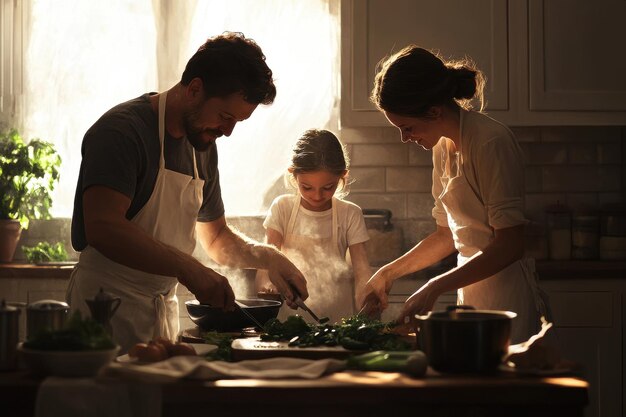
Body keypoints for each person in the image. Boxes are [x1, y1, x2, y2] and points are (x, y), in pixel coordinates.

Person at [67, 32, 308, 353]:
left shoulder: (203, 145)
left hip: (160, 314)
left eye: (237, 121)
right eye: (225, 117)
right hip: (104, 309)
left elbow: (217, 239)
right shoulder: (122, 132)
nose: (228, 131)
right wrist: (189, 268)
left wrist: (268, 257)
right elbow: (103, 227)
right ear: (195, 89)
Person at [360, 45, 547, 344]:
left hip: (509, 304)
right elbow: (446, 236)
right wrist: (387, 273)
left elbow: (510, 244)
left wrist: (434, 286)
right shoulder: (441, 148)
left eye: (407, 127)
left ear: (434, 111)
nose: (404, 138)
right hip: (472, 297)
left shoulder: (490, 142)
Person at [255, 129, 372, 324]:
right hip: (288, 322)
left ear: (343, 176)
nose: (317, 196)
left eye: (328, 187)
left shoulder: (350, 214)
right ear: (293, 175)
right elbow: (266, 265)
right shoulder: (282, 208)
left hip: (338, 322)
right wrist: (269, 286)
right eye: (307, 187)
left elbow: (361, 270)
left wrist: (367, 297)